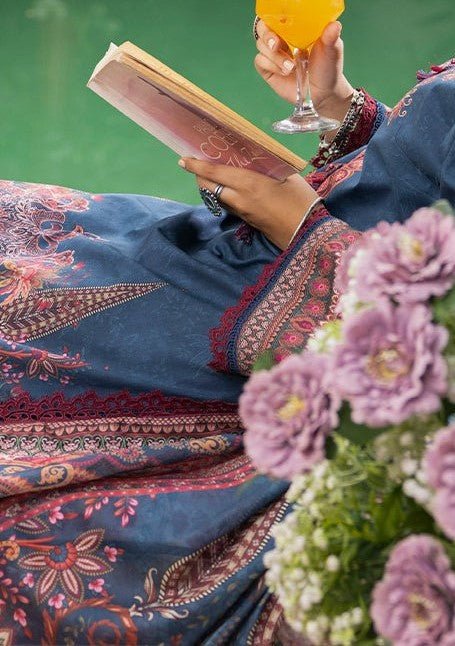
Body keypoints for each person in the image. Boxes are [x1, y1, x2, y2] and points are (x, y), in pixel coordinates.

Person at [0, 15, 454, 644]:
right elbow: (429, 189)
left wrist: (305, 229)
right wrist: (337, 106)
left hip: (292, 328)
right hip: (247, 257)